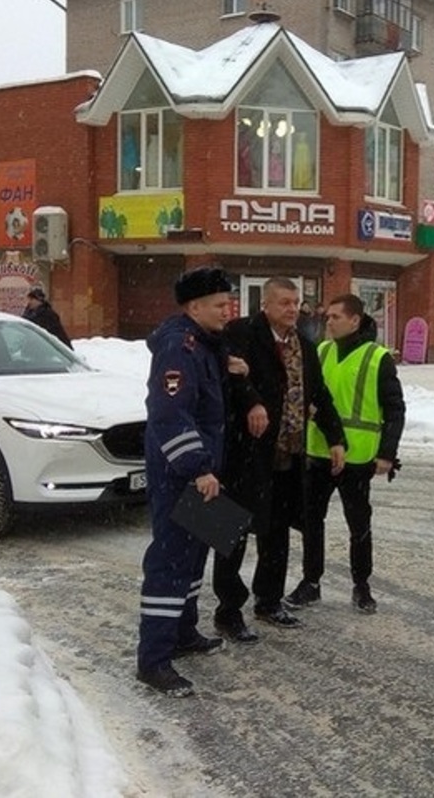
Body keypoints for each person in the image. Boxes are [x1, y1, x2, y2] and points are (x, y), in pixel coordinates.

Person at [213, 277, 346, 641]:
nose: (292, 309)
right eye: (284, 302)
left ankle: (268, 600)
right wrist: (252, 399)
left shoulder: (304, 345)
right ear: (266, 305)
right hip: (244, 453)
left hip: (288, 453)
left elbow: (319, 394)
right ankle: (227, 610)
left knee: (276, 531)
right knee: (231, 531)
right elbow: (226, 377)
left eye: (295, 302)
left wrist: (336, 438)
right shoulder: (239, 333)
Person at [136, 267, 241, 697]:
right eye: (219, 304)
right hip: (181, 473)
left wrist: (225, 364)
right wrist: (197, 468)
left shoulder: (203, 344)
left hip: (201, 472)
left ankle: (184, 632)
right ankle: (153, 661)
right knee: (170, 562)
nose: (227, 310)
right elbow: (169, 414)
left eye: (228, 302)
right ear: (194, 307)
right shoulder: (179, 347)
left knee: (195, 555)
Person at [285, 294, 406, 614]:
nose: (329, 322)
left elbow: (395, 409)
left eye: (336, 317)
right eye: (327, 317)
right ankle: (311, 582)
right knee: (312, 521)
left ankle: (361, 584)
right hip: (318, 451)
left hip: (358, 457)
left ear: (355, 320)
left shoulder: (377, 357)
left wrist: (387, 453)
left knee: (359, 523)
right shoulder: (321, 351)